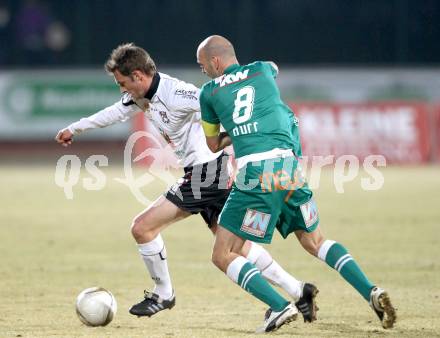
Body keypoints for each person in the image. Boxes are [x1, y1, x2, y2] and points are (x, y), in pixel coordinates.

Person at [55, 43, 318, 322]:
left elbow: (219, 104)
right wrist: (76, 128)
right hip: (210, 172)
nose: (122, 90)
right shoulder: (140, 96)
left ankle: (164, 293)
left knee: (142, 228)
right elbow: (114, 112)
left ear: (138, 76)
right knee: (236, 247)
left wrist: (244, 135)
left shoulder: (177, 94)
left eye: (123, 83)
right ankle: (297, 289)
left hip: (205, 174)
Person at [197, 35, 396, 333]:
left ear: (215, 61)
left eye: (202, 65)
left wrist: (236, 131)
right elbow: (274, 68)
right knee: (316, 241)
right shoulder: (263, 69)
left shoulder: (209, 92)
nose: (203, 71)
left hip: (255, 173)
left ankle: (279, 306)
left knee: (223, 253)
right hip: (289, 168)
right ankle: (370, 291)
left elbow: (212, 144)